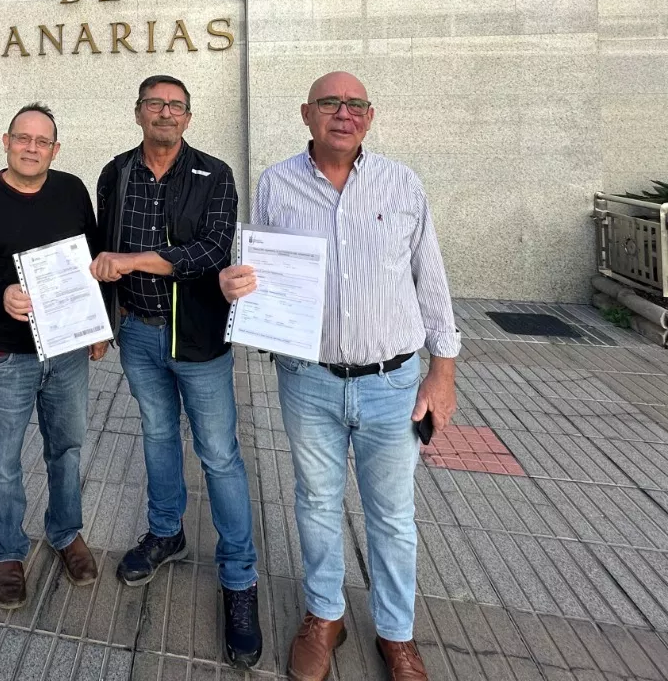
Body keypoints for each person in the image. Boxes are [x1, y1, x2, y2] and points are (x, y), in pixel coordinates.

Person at [219, 72, 458, 681]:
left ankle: (396, 634)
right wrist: (235, 285)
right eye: (331, 103)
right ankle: (325, 615)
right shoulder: (275, 183)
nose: (343, 113)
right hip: (310, 380)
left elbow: (429, 278)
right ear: (307, 114)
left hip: (392, 382)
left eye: (355, 105)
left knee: (392, 515)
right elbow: (258, 271)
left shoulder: (401, 182)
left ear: (370, 118)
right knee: (317, 503)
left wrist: (443, 373)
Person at [90, 75, 262, 669]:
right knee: (158, 434)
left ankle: (239, 577)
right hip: (137, 330)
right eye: (155, 103)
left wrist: (135, 261)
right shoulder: (115, 173)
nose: (165, 112)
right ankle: (166, 532)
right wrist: (102, 322)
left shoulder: (215, 174)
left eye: (176, 105)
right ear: (137, 111)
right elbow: (98, 248)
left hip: (198, 337)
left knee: (218, 452)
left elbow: (213, 251)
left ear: (188, 117)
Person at [0, 102, 111, 611]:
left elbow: (93, 260)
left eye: (42, 141)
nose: (31, 148)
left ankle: (65, 534)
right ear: (6, 141)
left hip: (67, 351)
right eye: (23, 138)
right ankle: (8, 551)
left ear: (55, 150)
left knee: (67, 447)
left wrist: (100, 327)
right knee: (1, 461)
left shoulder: (72, 190)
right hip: (2, 356)